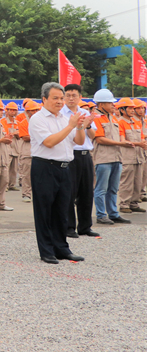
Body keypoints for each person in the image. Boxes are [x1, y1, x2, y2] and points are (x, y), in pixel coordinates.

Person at [28, 82, 93, 264]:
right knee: (44, 210)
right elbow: (49, 142)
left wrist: (80, 127)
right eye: (55, 98)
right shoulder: (38, 119)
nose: (59, 101)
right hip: (45, 167)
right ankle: (46, 250)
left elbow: (79, 141)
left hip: (65, 168)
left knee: (62, 210)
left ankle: (62, 248)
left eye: (61, 98)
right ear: (44, 99)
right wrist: (71, 126)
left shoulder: (65, 118)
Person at [61, 84, 99, 237]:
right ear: (64, 97)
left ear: (80, 97)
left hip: (85, 155)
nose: (71, 98)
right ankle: (69, 227)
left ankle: (85, 227)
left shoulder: (85, 113)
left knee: (86, 192)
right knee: (69, 192)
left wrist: (87, 125)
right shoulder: (61, 114)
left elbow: (93, 136)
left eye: (74, 95)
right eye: (68, 95)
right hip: (70, 155)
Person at [91, 89, 132, 226]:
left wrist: (123, 142)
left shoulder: (112, 117)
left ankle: (113, 214)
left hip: (116, 157)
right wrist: (121, 144)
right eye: (110, 103)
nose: (113, 105)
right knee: (101, 189)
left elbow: (119, 134)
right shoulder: (95, 118)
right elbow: (99, 139)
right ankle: (101, 215)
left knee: (113, 189)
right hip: (103, 158)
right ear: (101, 104)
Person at [115, 99, 145, 215]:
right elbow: (123, 141)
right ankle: (124, 204)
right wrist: (139, 144)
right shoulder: (120, 123)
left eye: (133, 108)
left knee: (138, 181)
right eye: (130, 108)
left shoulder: (136, 123)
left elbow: (142, 138)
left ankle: (134, 203)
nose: (133, 110)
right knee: (127, 182)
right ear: (122, 110)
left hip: (138, 157)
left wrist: (143, 144)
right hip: (127, 157)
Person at [17, 100, 41, 204]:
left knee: (39, 175)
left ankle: (38, 194)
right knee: (27, 175)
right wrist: (39, 136)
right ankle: (26, 194)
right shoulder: (23, 123)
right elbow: (25, 137)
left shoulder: (41, 121)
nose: (35, 112)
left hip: (39, 152)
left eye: (36, 110)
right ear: (27, 112)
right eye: (33, 110)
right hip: (27, 152)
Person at [3, 102, 21, 190]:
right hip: (7, 147)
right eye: (11, 110)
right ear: (7, 111)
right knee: (6, 167)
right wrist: (13, 133)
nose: (13, 112)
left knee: (14, 168)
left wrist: (17, 134)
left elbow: (20, 135)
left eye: (14, 110)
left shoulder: (18, 123)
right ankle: (5, 185)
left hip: (16, 147)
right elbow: (4, 134)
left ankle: (12, 185)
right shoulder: (3, 122)